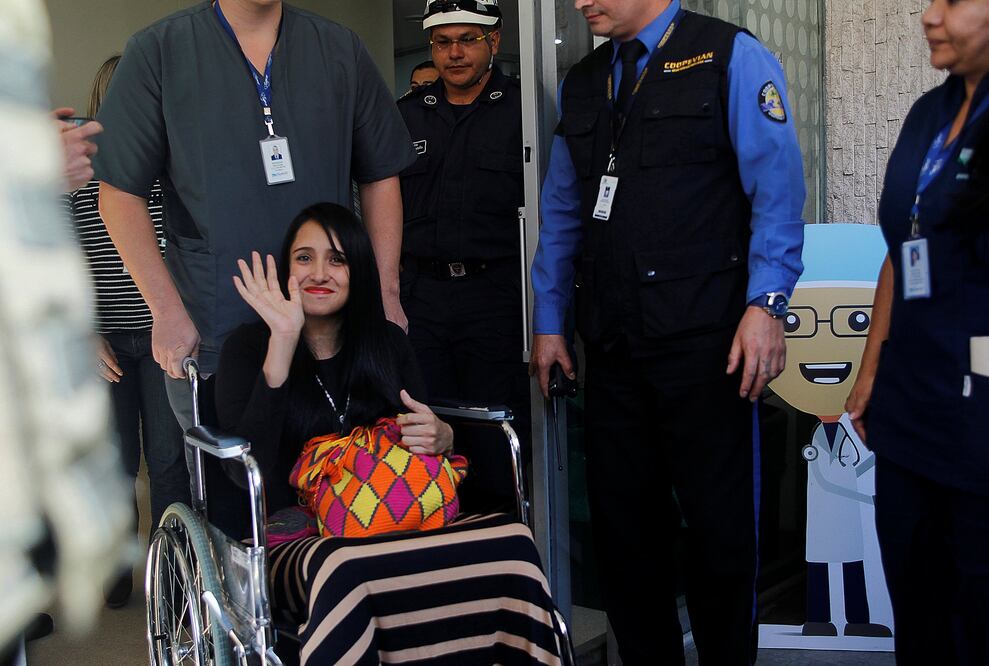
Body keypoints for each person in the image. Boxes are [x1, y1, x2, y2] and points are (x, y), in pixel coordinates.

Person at [529, 0, 805, 663]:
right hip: (614, 348)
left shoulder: (728, 57)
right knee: (625, 542)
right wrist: (547, 322)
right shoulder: (585, 78)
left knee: (719, 537)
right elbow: (564, 206)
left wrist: (767, 303)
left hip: (709, 346)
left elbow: (777, 190)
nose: (575, 3)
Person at [93, 0, 415, 535]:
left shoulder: (338, 50)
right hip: (216, 331)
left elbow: (382, 174)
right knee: (236, 510)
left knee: (345, 495)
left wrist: (384, 291)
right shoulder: (160, 51)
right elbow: (118, 192)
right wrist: (165, 310)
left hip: (330, 334)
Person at [214, 203, 564, 663]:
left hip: (392, 517)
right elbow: (246, 471)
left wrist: (443, 437)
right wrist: (283, 339)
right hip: (291, 536)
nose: (320, 272)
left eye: (337, 259)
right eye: (304, 258)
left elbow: (422, 446)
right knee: (343, 569)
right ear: (286, 268)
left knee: (514, 542)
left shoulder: (386, 342)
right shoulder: (247, 347)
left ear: (357, 270)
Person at [844, 0, 989, 662]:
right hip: (911, 403)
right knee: (917, 598)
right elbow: (903, 248)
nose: (929, 16)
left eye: (954, 1)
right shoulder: (930, 112)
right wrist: (872, 369)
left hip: (979, 416)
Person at [68, 54, 187, 609]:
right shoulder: (79, 171)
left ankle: (169, 567)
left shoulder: (176, 162)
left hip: (165, 337)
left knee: (167, 460)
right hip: (105, 342)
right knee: (113, 463)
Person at [397, 0, 529, 446]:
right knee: (421, 424)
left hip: (496, 297)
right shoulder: (407, 115)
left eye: (467, 40)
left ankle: (503, 517)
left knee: (495, 425)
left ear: (494, 40)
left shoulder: (524, 112)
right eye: (443, 42)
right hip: (422, 299)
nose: (454, 53)